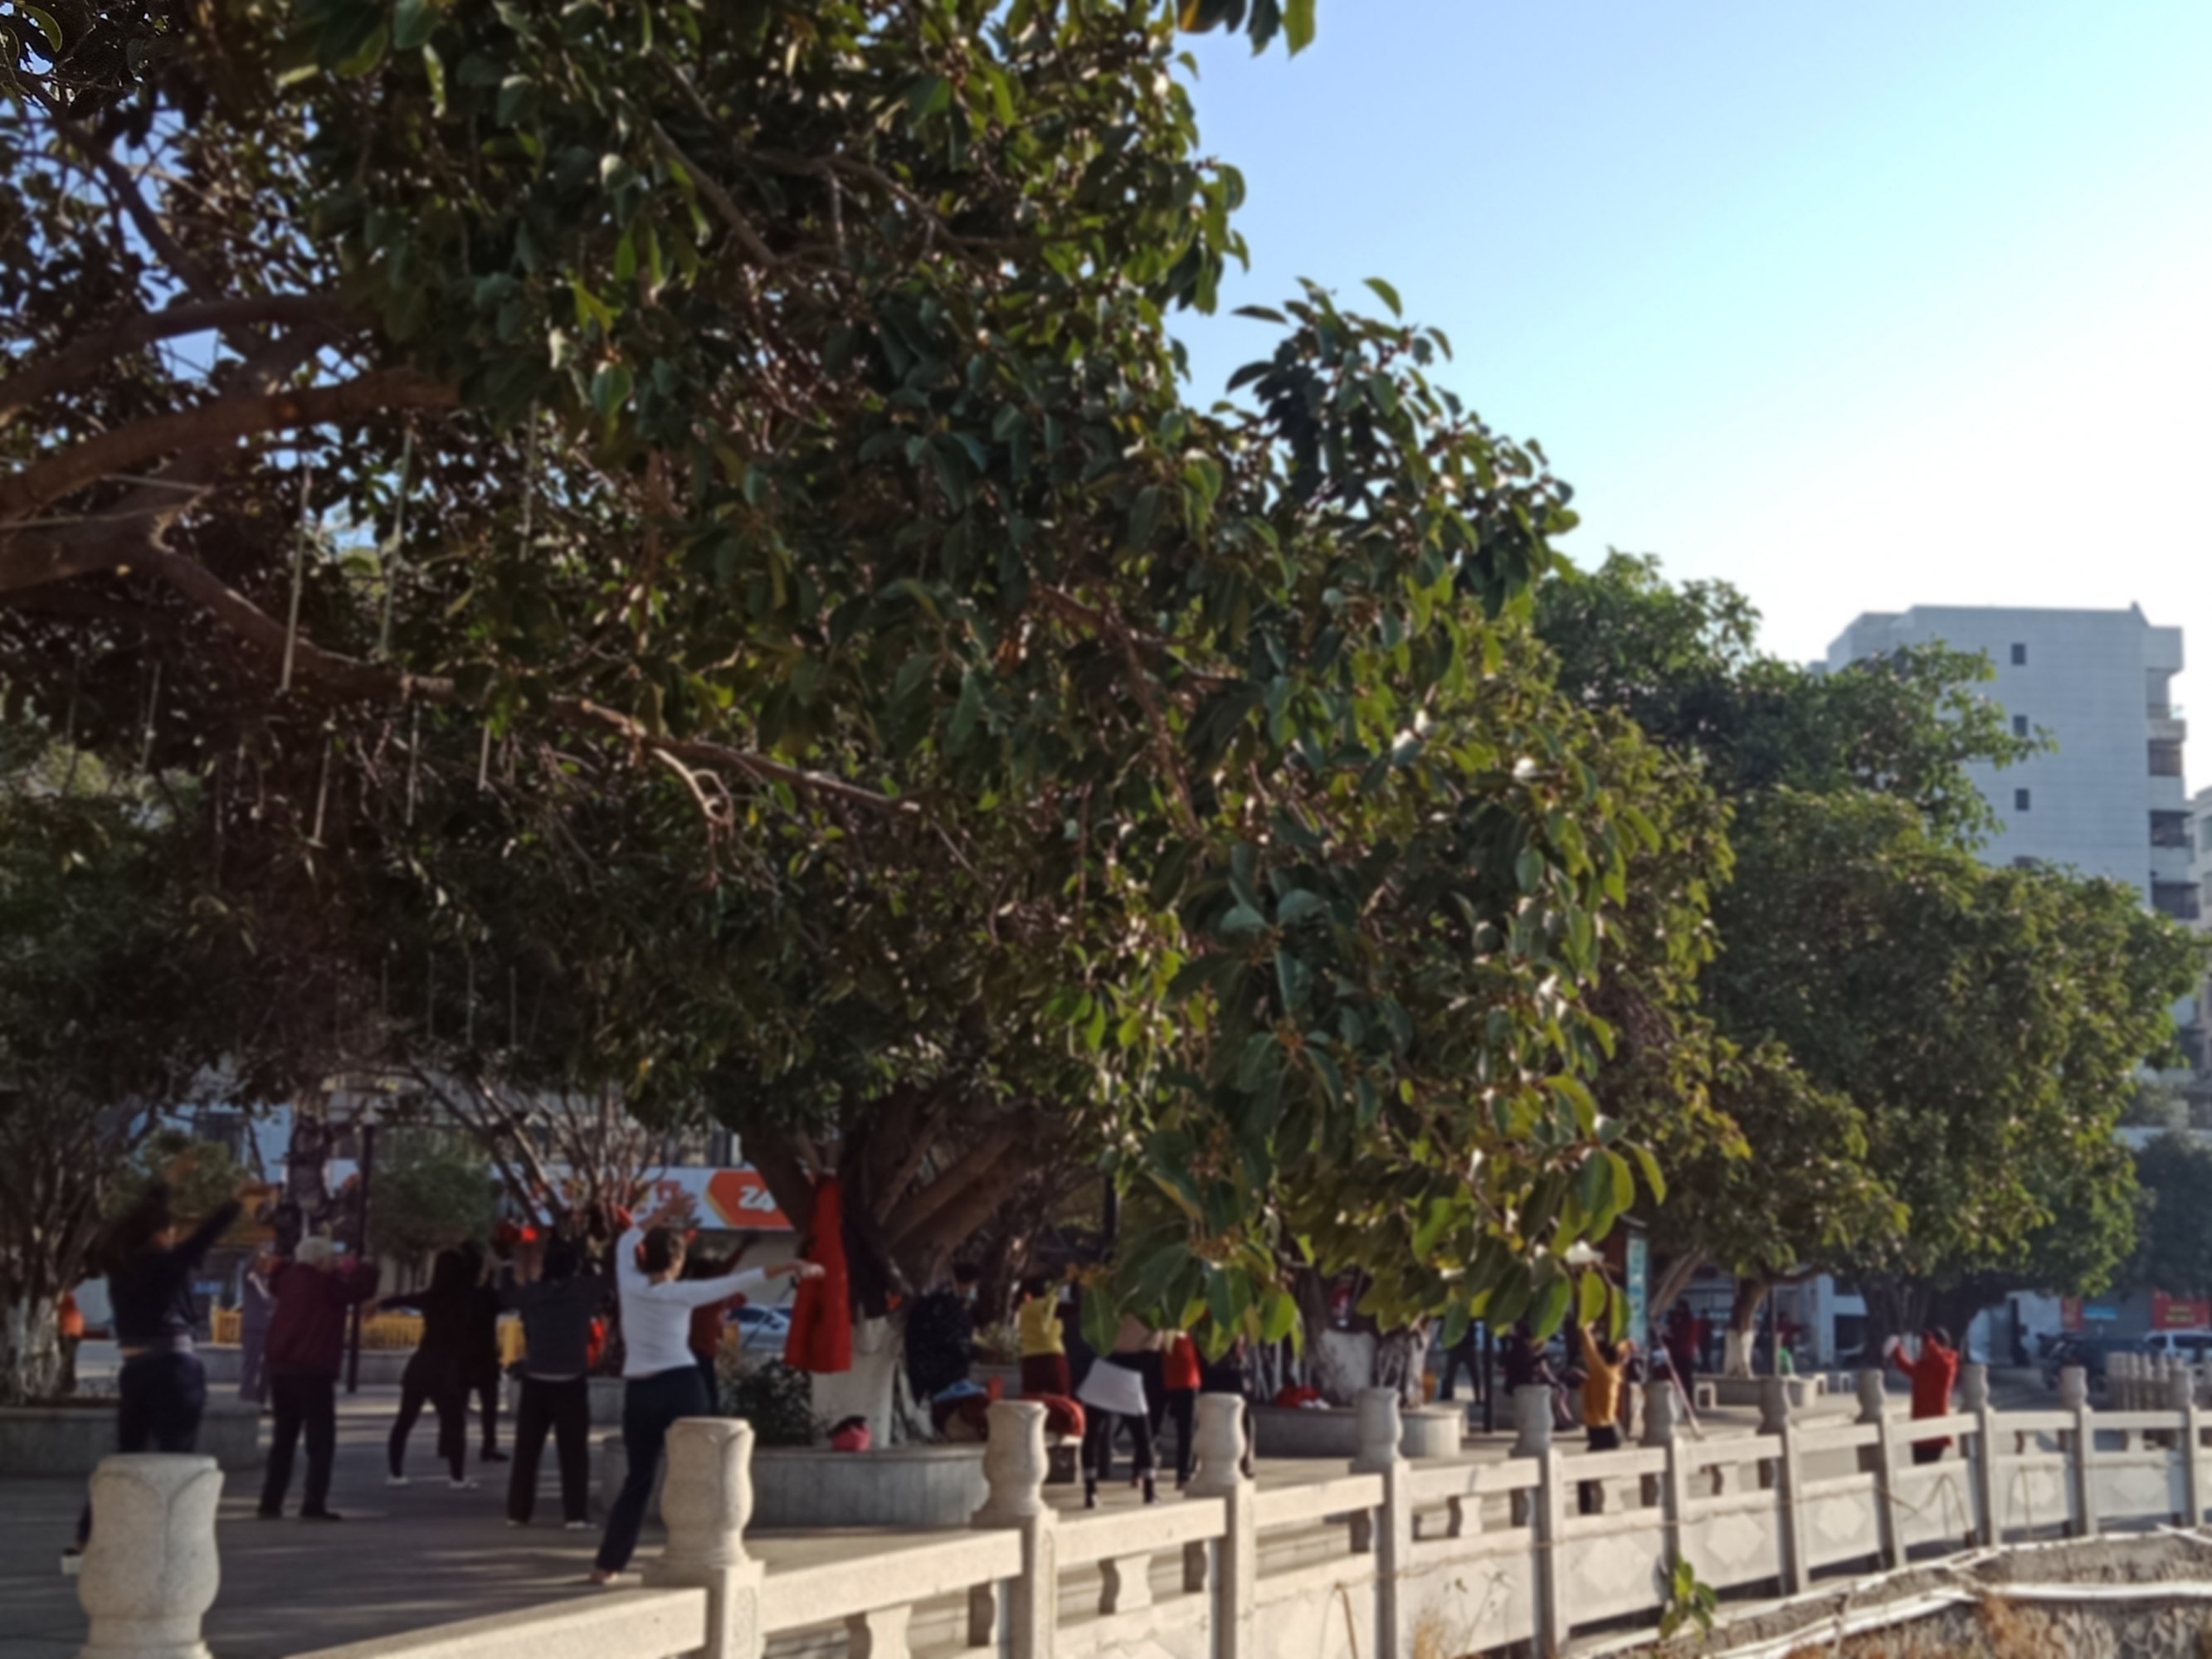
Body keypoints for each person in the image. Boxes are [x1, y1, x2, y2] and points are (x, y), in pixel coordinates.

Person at [592, 1195, 821, 1586]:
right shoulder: (684, 1293)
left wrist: (662, 1214)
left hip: (640, 1391)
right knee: (704, 1470)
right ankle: (708, 1550)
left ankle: (607, 1565)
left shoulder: (629, 1284)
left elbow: (628, 1239)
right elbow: (741, 1280)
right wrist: (792, 1265)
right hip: (682, 1385)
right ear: (677, 1261)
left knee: (638, 1479)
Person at [72, 1185, 242, 1556]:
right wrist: (234, 1203)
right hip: (175, 1367)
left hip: (136, 1368)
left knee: (126, 1456)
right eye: (171, 1231)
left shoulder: (119, 1266)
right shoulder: (167, 1266)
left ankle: (88, 1533)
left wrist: (163, 1188)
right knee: (175, 1458)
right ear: (160, 1235)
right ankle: (166, 1543)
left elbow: (154, 1220)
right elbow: (204, 1238)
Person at [258, 1237, 381, 1520]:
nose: (335, 1264)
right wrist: (362, 1264)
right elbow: (361, 1288)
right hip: (313, 1369)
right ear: (320, 1262)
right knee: (320, 1440)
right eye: (331, 1260)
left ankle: (270, 1502)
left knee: (283, 1438)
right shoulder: (327, 1284)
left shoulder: (288, 1279)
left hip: (281, 1368)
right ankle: (313, 1503)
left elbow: (275, 1278)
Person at [502, 1237, 606, 1529]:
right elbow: (611, 1277)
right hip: (570, 1380)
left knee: (526, 1451)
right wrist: (592, 1261)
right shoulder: (584, 1291)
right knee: (573, 1452)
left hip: (535, 1379)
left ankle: (518, 1512)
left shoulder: (533, 1294)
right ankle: (575, 1514)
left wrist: (511, 1264)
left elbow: (507, 1296)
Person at [382, 1247, 478, 1490]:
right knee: (454, 1422)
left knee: (405, 1420)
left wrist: (379, 1302)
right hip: (445, 1367)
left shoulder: (432, 1296)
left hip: (421, 1363)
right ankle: (457, 1477)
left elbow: (403, 1300)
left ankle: (395, 1472)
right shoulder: (465, 1297)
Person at [1078, 1316, 1162, 1508]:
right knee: (1143, 1438)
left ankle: (1090, 1491)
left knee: (1091, 1435)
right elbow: (1149, 1359)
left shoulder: (1115, 1311)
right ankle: (1149, 1492)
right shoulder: (1154, 1321)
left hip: (1102, 1370)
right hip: (1128, 1376)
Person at [1576, 1321, 1632, 1515]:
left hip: (1603, 1430)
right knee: (1591, 1473)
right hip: (1606, 1429)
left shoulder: (1603, 1373)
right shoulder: (1614, 1371)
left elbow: (1590, 1352)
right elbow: (1623, 1349)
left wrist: (1586, 1330)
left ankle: (1589, 1511)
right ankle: (1596, 1508)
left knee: (1587, 1473)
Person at [1888, 1326, 1961, 1464]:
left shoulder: (1948, 1363)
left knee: (1930, 1468)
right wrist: (1896, 1349)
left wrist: (1930, 1342)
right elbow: (1906, 1366)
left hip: (1937, 1429)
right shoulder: (1923, 1366)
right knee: (1919, 1468)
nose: (1922, 1349)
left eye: (1924, 1346)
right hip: (1919, 1427)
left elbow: (1940, 1360)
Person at [464, 1246, 506, 1462]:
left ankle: (448, 1442)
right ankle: (489, 1444)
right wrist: (494, 1274)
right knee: (489, 1406)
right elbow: (503, 1300)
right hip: (485, 1356)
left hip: (462, 1356)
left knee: (457, 1404)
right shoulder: (487, 1296)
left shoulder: (458, 1295)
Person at [1016, 1274, 1069, 1399]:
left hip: (1029, 1358)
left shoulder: (1023, 1308)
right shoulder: (1051, 1306)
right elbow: (1077, 1307)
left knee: (1031, 1399)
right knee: (1060, 1400)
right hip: (1052, 1355)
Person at [1161, 1329, 1202, 1490]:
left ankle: (1140, 1471)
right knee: (1186, 1430)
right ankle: (1184, 1474)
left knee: (1154, 1423)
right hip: (1186, 1375)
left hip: (1171, 1372)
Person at [237, 1248, 276, 1406]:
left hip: (268, 1326)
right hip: (253, 1326)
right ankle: (247, 1393)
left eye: (266, 1260)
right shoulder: (250, 1277)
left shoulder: (269, 1279)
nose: (264, 1263)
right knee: (251, 1362)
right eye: (261, 1260)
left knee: (266, 1365)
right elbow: (246, 1269)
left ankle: (260, 1396)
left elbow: (270, 1300)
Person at [1436, 1323, 1481, 1408]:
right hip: (1465, 1347)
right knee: (1472, 1374)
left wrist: (1445, 1343)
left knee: (1451, 1374)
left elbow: (1442, 1330)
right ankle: (1477, 1397)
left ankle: (1448, 1394)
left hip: (1459, 1347)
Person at [56, 1291, 84, 1397]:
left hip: (66, 1334)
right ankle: (69, 1384)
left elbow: (62, 1321)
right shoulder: (74, 1309)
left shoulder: (63, 1307)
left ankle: (65, 1385)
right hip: (75, 1334)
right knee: (70, 1360)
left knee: (65, 1361)